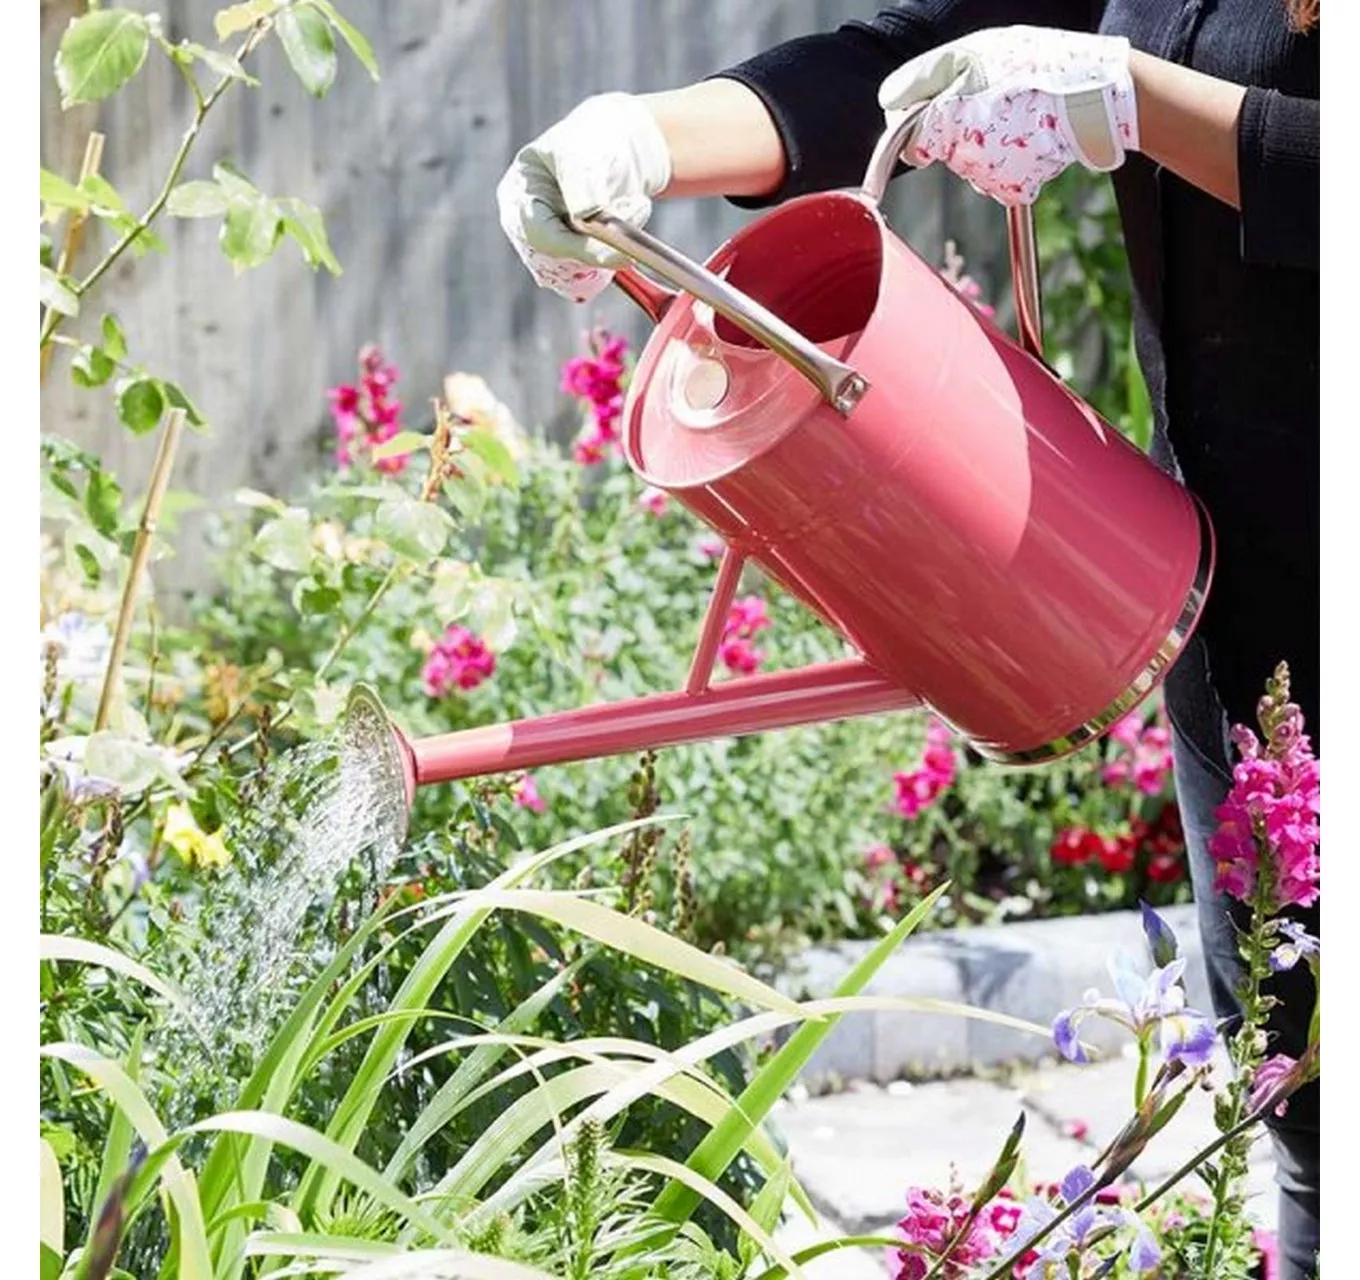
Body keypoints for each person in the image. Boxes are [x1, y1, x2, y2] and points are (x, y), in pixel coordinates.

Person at [496, 3, 1320, 1275]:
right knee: (1308, 1099)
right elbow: (916, 57)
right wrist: (640, 142)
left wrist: (1131, 101)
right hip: (1243, 635)